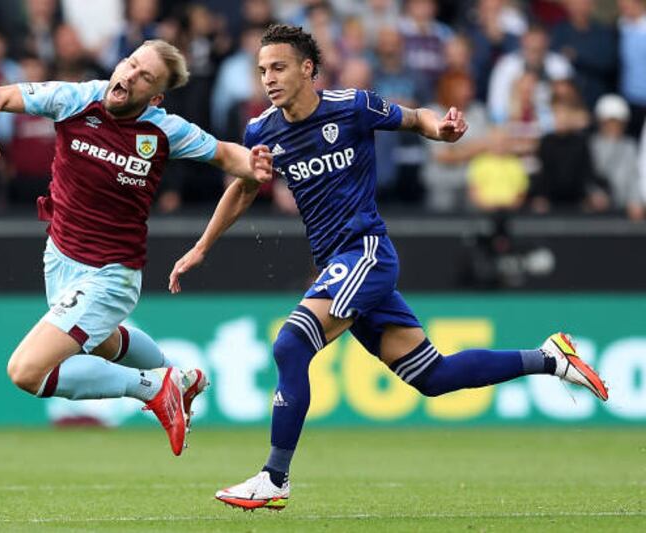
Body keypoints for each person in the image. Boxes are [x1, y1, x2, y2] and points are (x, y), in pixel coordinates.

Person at [169, 24, 609, 510]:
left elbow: (416, 116)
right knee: (433, 376)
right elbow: (245, 185)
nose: (268, 79)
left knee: (291, 343)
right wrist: (203, 246)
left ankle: (274, 477)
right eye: (261, 70)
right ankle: (551, 358)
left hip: (366, 253)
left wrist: (440, 129)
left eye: (278, 67)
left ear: (307, 68)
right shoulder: (262, 129)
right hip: (337, 264)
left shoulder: (352, 106)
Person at [0, 39, 273, 456]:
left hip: (112, 274)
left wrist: (255, 163)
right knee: (105, 342)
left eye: (144, 75)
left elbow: (225, 155)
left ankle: (154, 388)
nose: (128, 75)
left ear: (155, 96)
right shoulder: (75, 99)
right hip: (61, 259)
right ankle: (176, 377)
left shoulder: (165, 130)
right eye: (129, 63)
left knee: (26, 371)